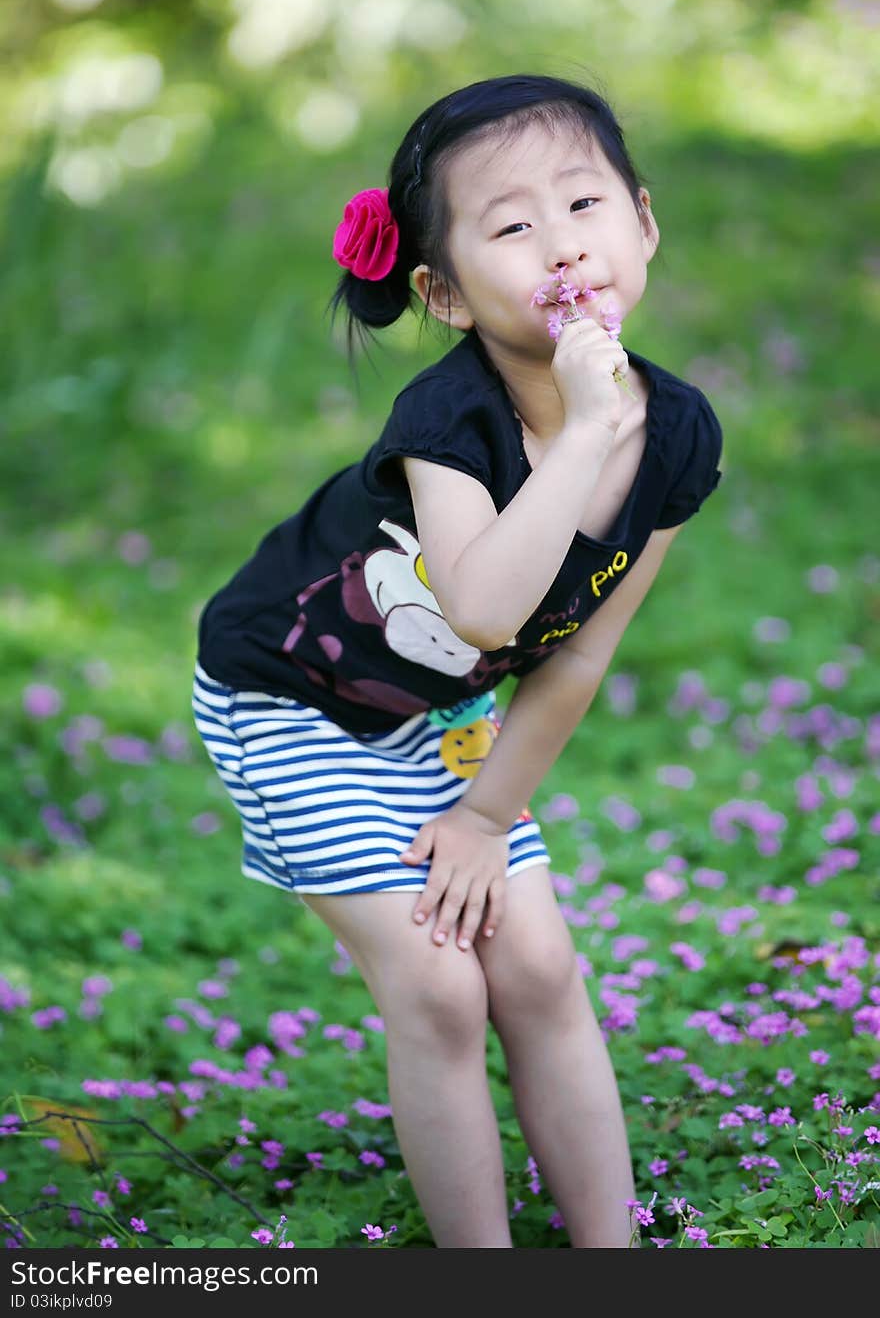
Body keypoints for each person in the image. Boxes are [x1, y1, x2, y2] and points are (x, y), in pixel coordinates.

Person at [191, 73, 723, 1248]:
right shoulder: (451, 421)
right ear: (441, 290)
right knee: (437, 981)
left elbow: (578, 650)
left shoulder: (677, 432)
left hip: (435, 721)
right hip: (287, 693)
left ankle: (609, 1245)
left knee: (535, 962)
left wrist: (487, 815)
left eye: (582, 204)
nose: (562, 244)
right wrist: (580, 430)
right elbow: (482, 611)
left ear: (642, 221)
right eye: (513, 224)